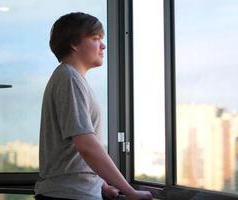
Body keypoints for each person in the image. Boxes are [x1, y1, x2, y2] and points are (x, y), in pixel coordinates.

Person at [34, 12, 153, 200]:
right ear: (74, 43)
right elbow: (86, 145)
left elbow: (73, 154)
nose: (103, 45)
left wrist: (102, 185)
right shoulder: (69, 79)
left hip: (71, 192)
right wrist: (130, 192)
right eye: (96, 38)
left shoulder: (71, 78)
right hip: (69, 195)